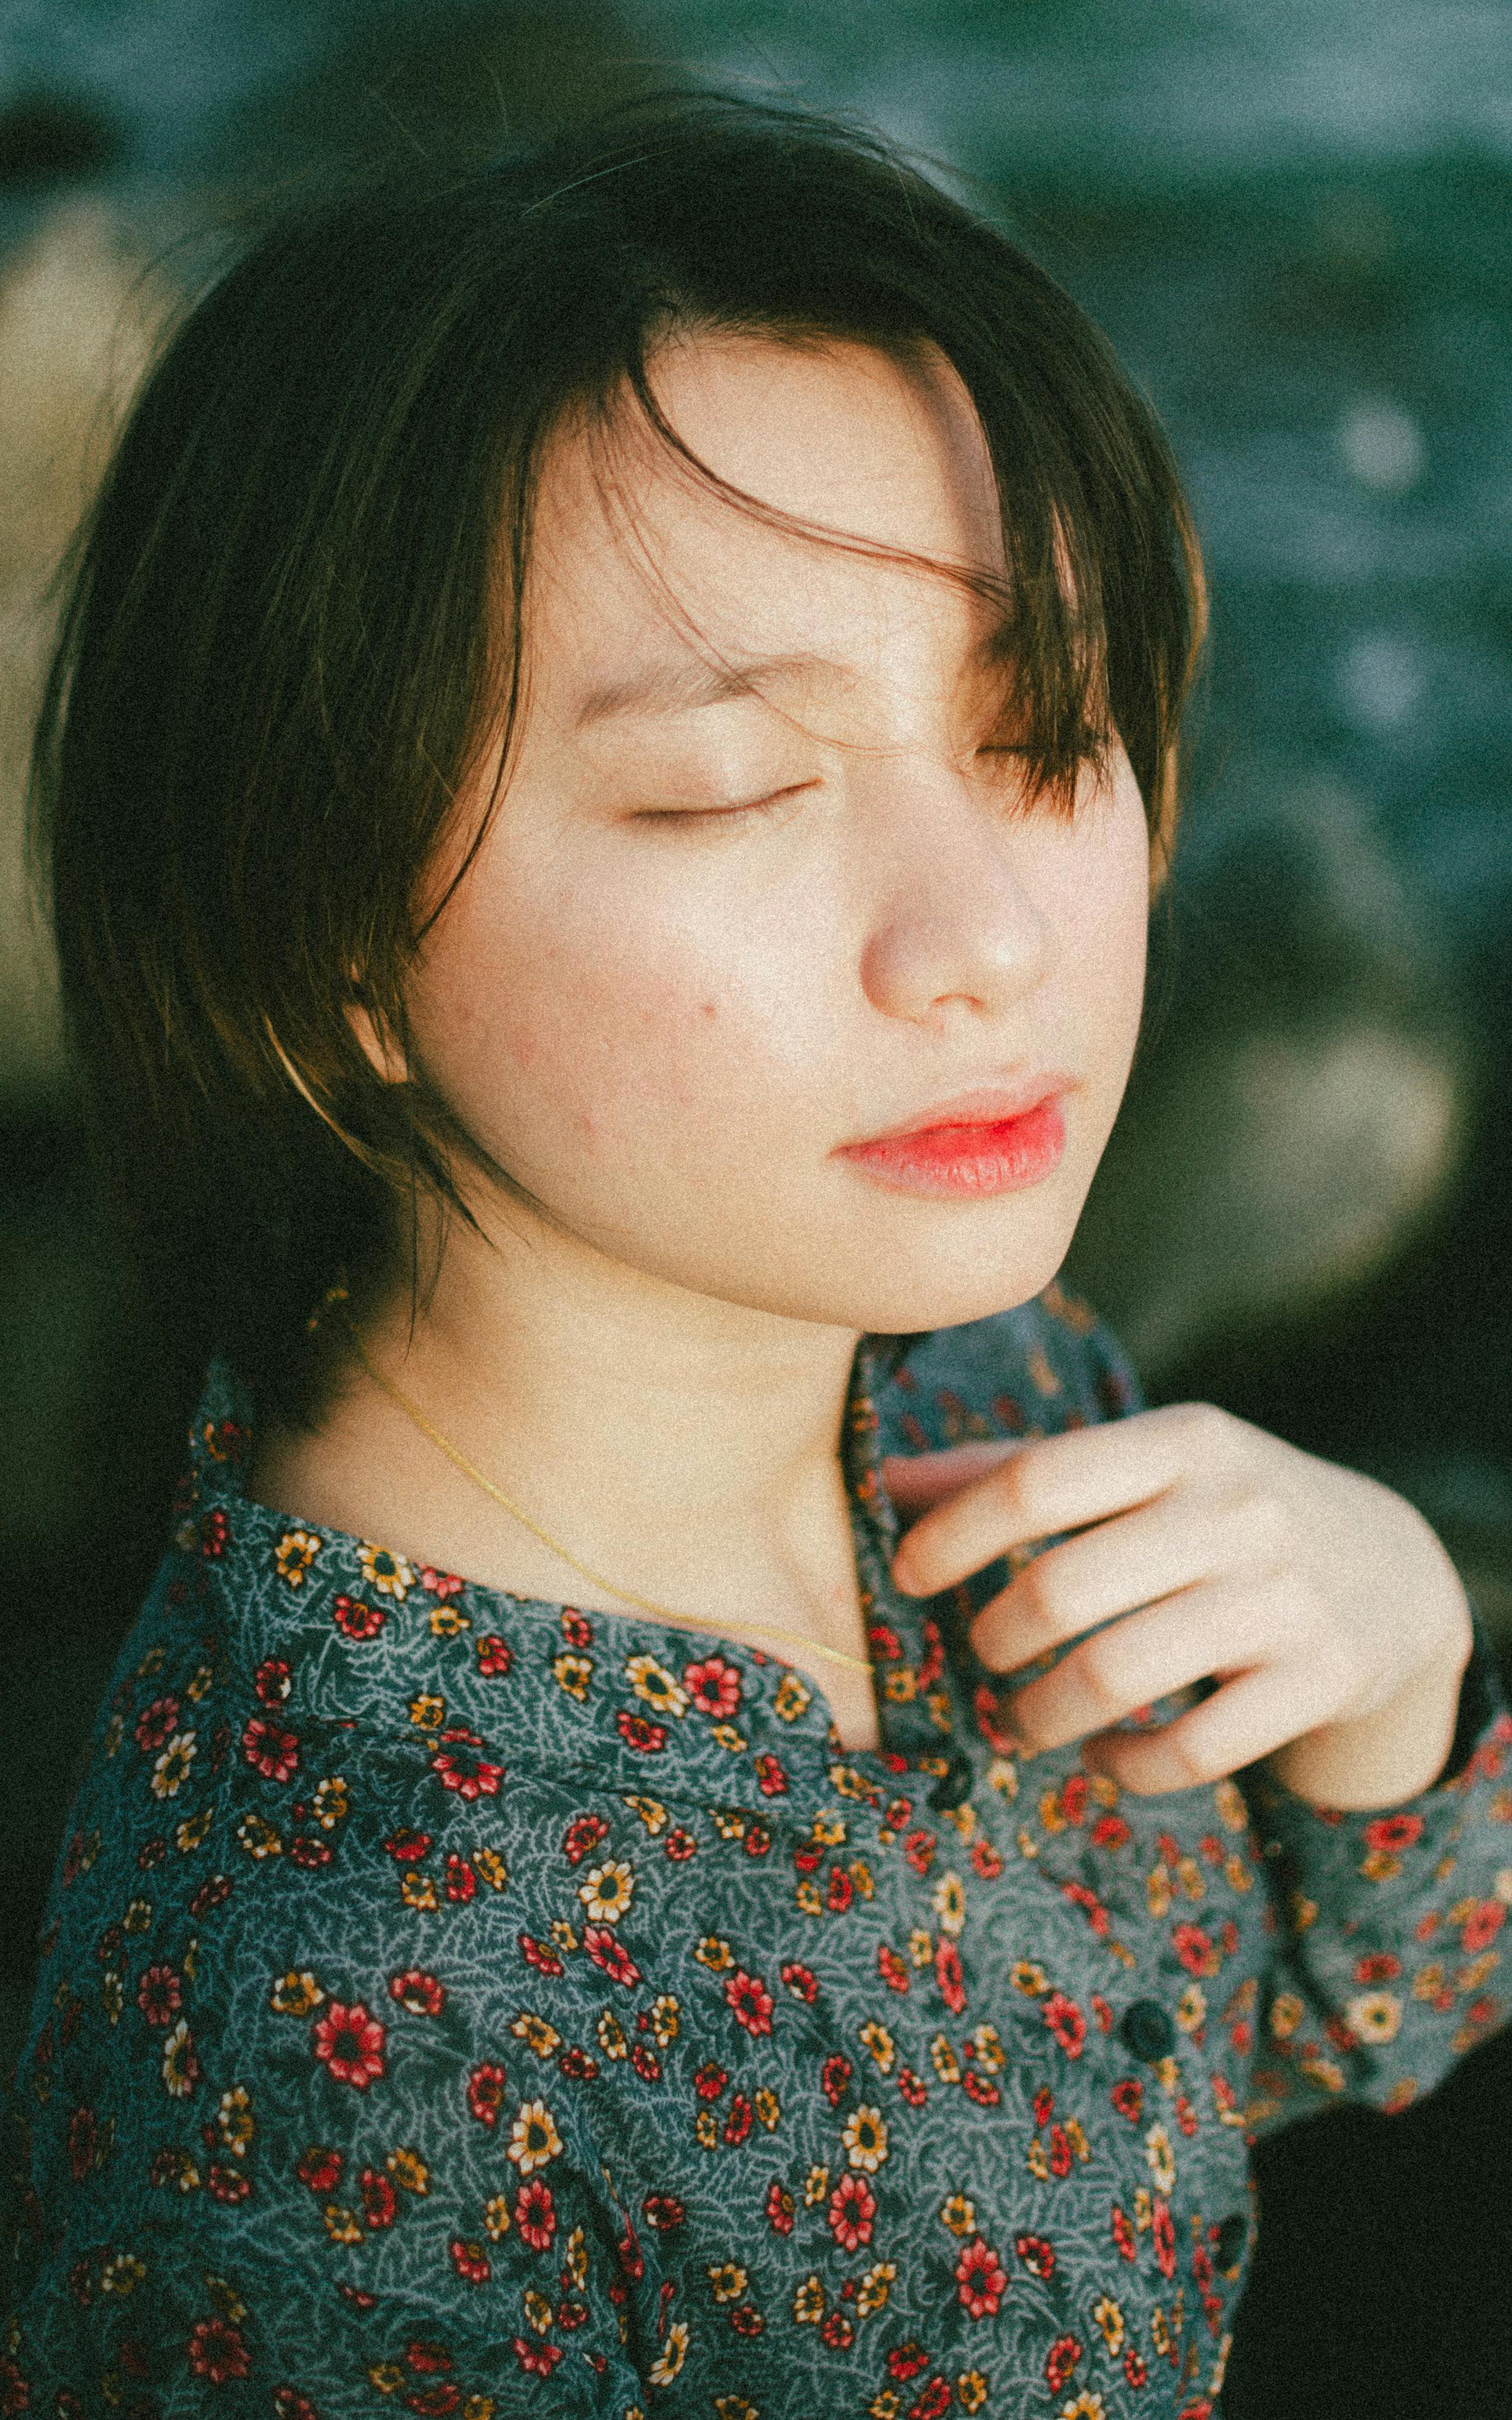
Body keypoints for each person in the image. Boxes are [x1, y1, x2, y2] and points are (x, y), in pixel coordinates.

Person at [4, 94, 1507, 2420]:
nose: (986, 942)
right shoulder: (327, 2061)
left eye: (1048, 731)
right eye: (733, 790)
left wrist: (1392, 1651)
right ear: (320, 939)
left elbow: (1242, 2053)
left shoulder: (955, 1365)